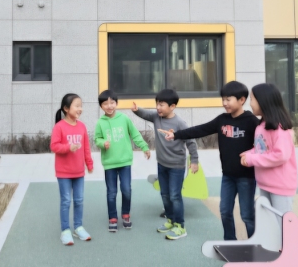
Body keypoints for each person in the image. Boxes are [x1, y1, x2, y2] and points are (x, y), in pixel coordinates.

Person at [164, 81, 259, 240]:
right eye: (223, 99)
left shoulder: (251, 121)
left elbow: (263, 142)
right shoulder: (222, 119)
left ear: (242, 100)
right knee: (225, 211)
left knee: (247, 215)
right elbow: (200, 129)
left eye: (228, 99)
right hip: (228, 176)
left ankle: (255, 244)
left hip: (246, 177)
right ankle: (230, 242)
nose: (224, 103)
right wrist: (176, 135)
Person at [132, 89, 199, 240]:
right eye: (157, 104)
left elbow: (191, 141)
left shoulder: (180, 123)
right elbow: (145, 114)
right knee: (165, 194)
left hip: (177, 166)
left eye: (161, 105)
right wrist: (137, 110)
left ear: (172, 106)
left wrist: (194, 160)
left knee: (175, 195)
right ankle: (170, 220)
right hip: (162, 164)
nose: (158, 107)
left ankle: (180, 226)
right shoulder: (157, 117)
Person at [95, 89, 151, 232]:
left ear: (116, 103)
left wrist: (144, 147)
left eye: (112, 103)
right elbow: (97, 139)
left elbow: (135, 134)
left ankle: (126, 214)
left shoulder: (124, 119)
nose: (109, 106)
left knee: (126, 190)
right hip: (109, 163)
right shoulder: (100, 123)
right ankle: (112, 218)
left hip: (125, 162)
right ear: (101, 106)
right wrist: (102, 143)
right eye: (105, 104)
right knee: (111, 192)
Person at [240, 83, 298, 219]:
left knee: (282, 223)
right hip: (265, 183)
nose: (250, 103)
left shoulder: (279, 129)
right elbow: (261, 148)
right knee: (269, 222)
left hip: (280, 185)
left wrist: (252, 159)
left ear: (263, 101)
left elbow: (281, 155)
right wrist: (249, 154)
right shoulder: (262, 126)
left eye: (252, 99)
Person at [50, 93, 94, 246]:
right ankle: (65, 230)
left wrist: (89, 163)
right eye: (77, 106)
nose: (80, 109)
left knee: (79, 200)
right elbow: (54, 146)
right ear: (66, 108)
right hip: (63, 173)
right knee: (66, 201)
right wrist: (68, 147)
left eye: (81, 106)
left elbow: (86, 147)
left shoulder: (82, 126)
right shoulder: (59, 127)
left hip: (79, 172)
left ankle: (78, 227)